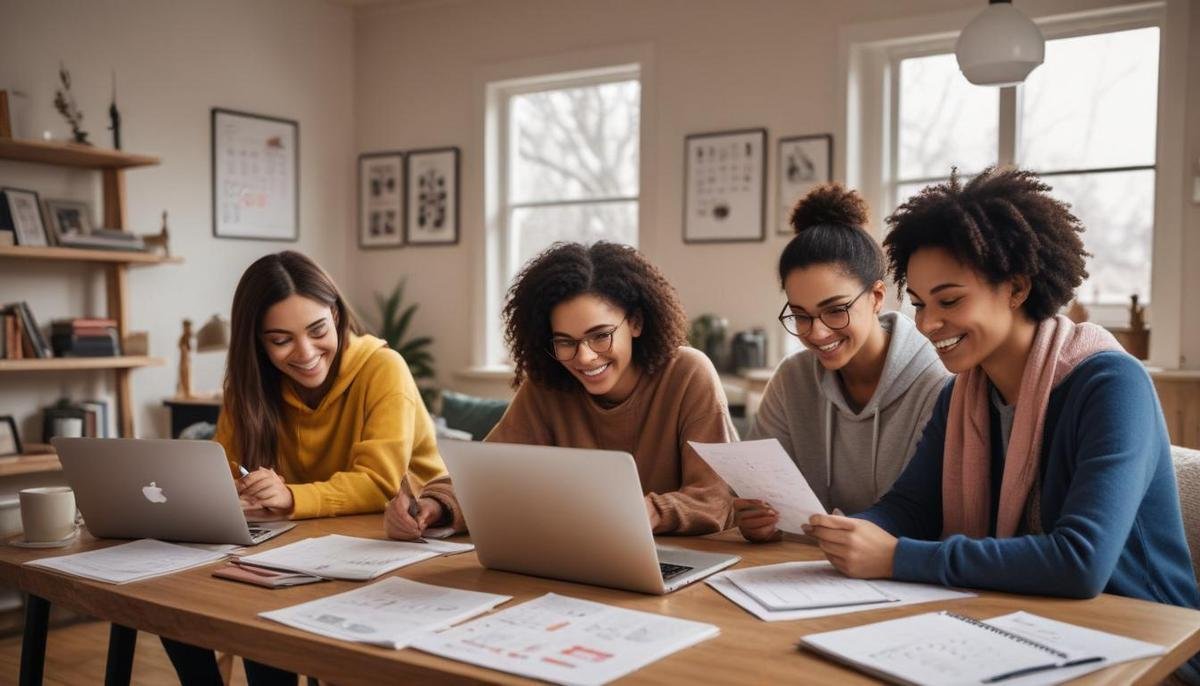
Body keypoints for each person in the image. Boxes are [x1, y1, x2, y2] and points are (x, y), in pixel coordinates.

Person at [804, 167, 1200, 679]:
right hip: (1018, 628)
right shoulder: (961, 395)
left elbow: (1080, 562)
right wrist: (856, 533)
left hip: (1146, 650)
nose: (926, 324)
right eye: (921, 304)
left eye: (949, 301)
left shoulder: (1111, 385)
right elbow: (911, 506)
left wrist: (897, 557)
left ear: (1016, 288)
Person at [163, 251, 463, 685]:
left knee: (259, 622)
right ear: (258, 343)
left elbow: (379, 484)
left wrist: (290, 497)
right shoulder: (249, 387)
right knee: (178, 599)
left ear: (336, 315)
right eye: (280, 340)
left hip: (393, 548)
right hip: (300, 551)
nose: (305, 353)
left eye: (318, 330)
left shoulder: (383, 367)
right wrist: (231, 488)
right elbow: (222, 470)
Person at [734, 184, 948, 542]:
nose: (816, 333)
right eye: (801, 315)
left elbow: (927, 515)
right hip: (803, 572)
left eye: (835, 311)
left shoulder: (937, 380)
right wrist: (756, 519)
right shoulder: (792, 379)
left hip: (902, 577)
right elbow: (758, 496)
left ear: (877, 297)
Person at [480, 241, 736, 534]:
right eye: (565, 342)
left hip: (679, 559)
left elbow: (715, 499)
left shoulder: (688, 373)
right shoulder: (548, 384)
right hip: (577, 557)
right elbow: (485, 477)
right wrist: (439, 505)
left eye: (600, 336)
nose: (584, 357)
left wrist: (646, 512)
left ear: (636, 323)